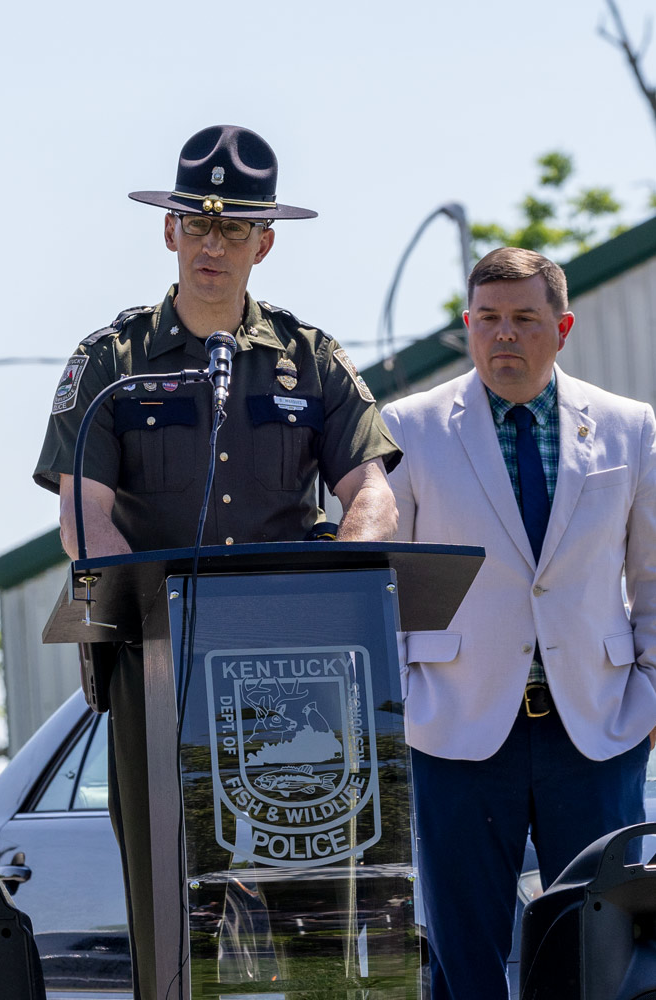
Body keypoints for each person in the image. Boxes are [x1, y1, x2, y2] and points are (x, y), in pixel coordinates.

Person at [34, 124, 401, 999]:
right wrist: (157, 611)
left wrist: (340, 584)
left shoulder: (310, 359)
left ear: (263, 244)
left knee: (315, 912)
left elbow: (372, 492)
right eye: (195, 225)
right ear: (168, 233)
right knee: (174, 907)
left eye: (233, 228)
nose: (212, 243)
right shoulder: (110, 364)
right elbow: (83, 520)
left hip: (303, 677)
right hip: (158, 672)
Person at [381, 246, 656, 1000]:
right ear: (469, 325)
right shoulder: (407, 427)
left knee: (593, 951)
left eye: (524, 319)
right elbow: (383, 587)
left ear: (560, 327)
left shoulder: (630, 429)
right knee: (463, 957)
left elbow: (652, 577)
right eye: (487, 319)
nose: (503, 335)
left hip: (594, 731)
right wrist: (405, 698)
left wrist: (650, 696)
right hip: (456, 729)